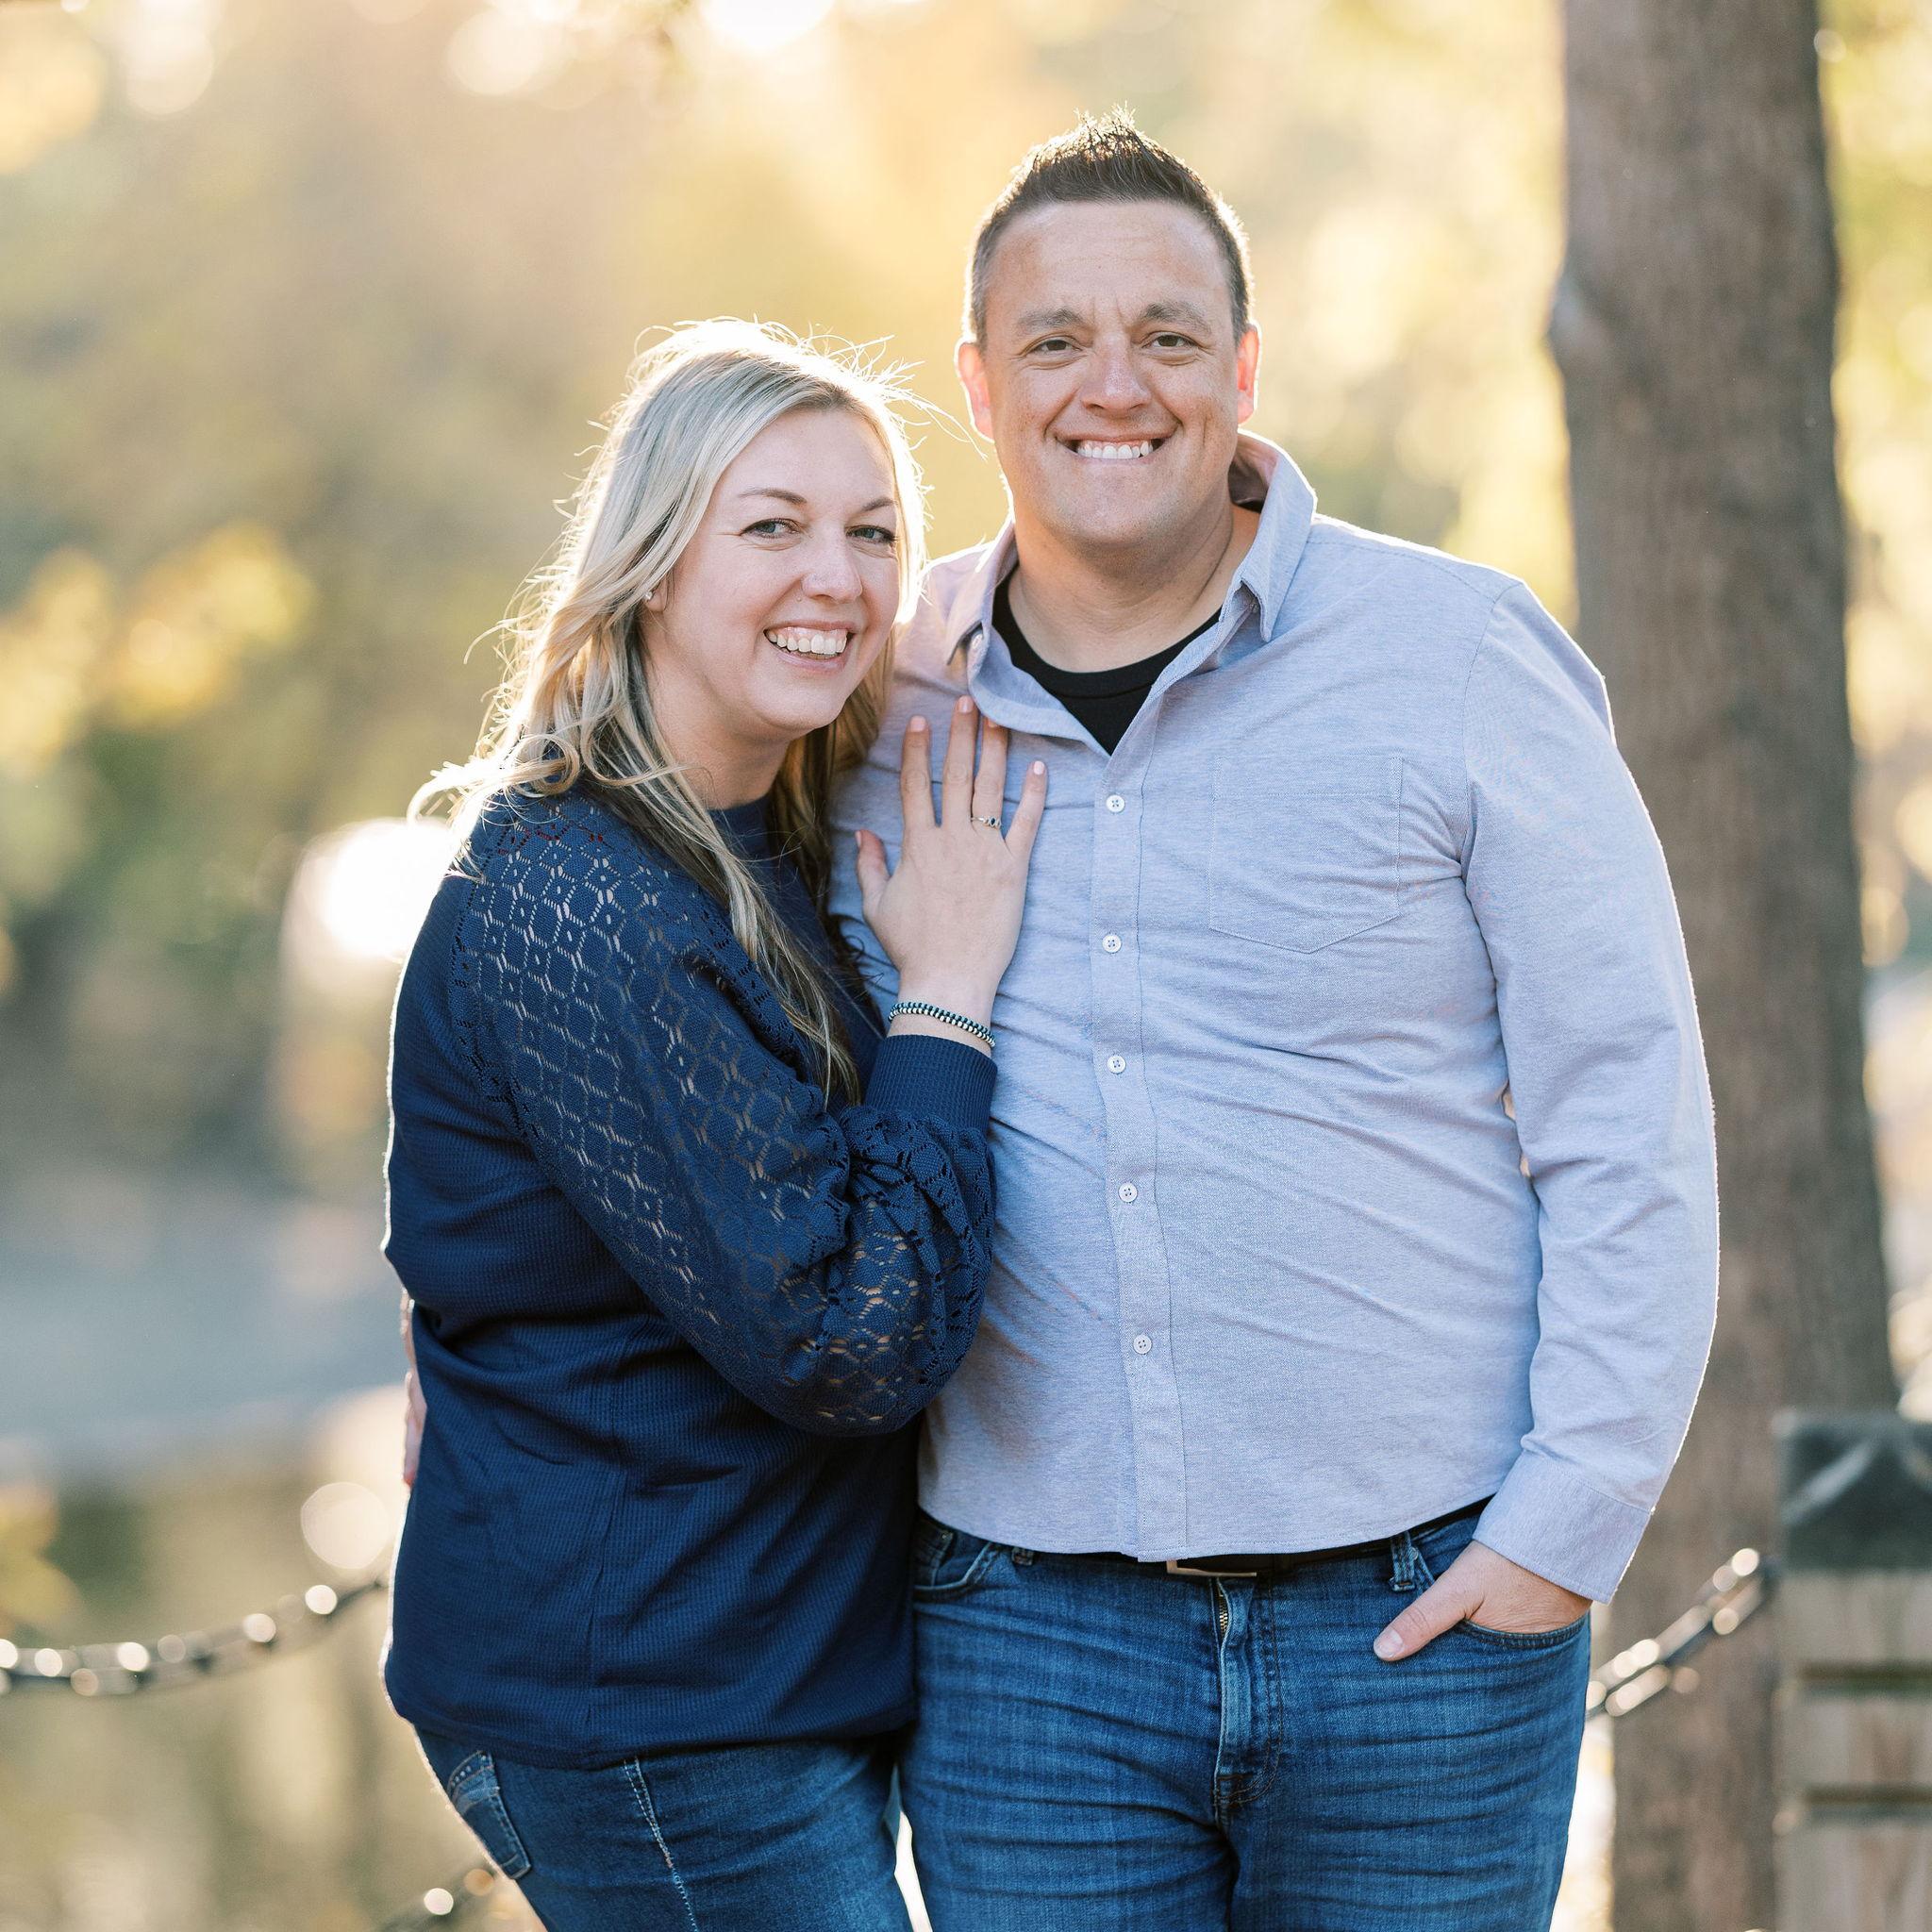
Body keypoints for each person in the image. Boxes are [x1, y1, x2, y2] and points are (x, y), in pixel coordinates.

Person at [824, 113, 1720, 1931]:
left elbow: (1625, 1108)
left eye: (1167, 336)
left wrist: (1566, 1528)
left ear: (1241, 371)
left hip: (1422, 1625)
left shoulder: (1459, 657)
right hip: (1026, 1650)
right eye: (1057, 343)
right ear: (981, 389)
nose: (1116, 387)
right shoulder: (869, 701)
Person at [383, 321, 1046, 1931]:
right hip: (651, 1716)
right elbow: (850, 1338)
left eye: (875, 531)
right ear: (653, 566)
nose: (838, 575)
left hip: (748, 1679)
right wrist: (950, 998)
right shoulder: (586, 897)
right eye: (772, 527)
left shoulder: (747, 839)